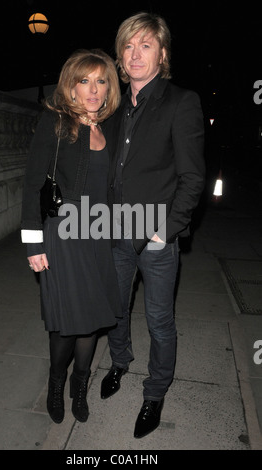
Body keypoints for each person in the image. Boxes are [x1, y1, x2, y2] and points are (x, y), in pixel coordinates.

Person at [101, 12, 205, 438]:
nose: (136, 53)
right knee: (115, 309)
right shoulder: (112, 105)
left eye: (146, 45)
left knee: (160, 320)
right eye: (129, 46)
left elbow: (193, 176)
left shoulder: (182, 102)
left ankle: (155, 391)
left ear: (162, 55)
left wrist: (169, 228)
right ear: (120, 59)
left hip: (156, 235)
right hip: (112, 229)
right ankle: (120, 362)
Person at [21, 49, 121, 425]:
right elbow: (32, 184)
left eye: (100, 81)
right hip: (63, 235)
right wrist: (33, 243)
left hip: (97, 235)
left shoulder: (109, 127)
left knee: (92, 319)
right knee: (68, 320)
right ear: (71, 86)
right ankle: (56, 382)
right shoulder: (55, 122)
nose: (93, 90)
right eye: (84, 81)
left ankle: (80, 386)